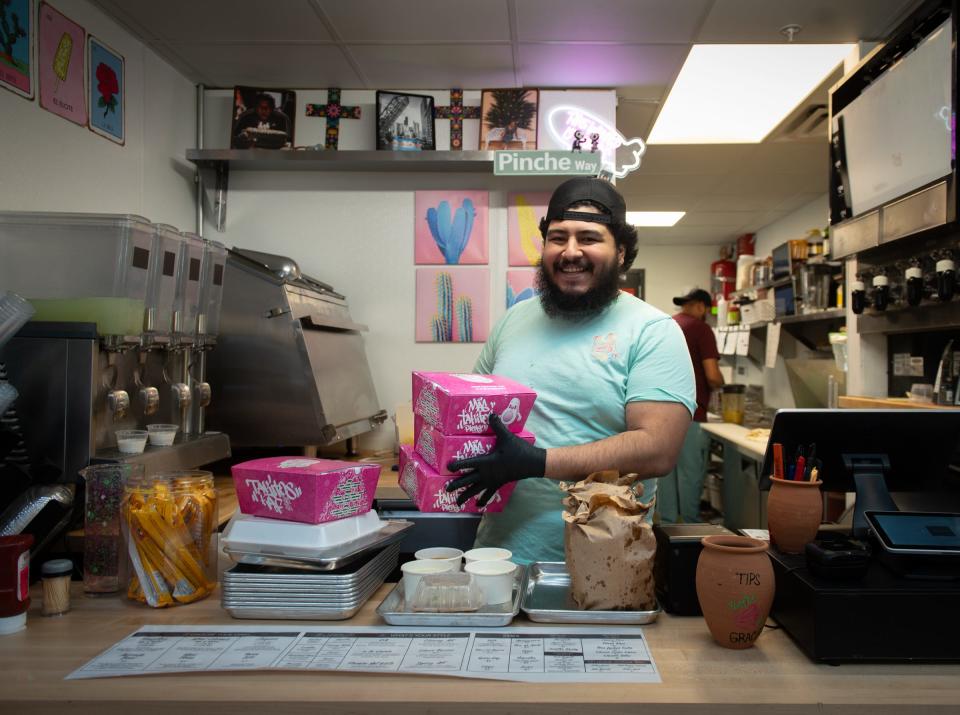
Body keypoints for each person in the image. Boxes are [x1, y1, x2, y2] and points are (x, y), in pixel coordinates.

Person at [445, 177, 697, 564]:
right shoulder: (514, 320)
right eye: (558, 237)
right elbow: (472, 413)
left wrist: (539, 462)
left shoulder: (653, 330)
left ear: (622, 252)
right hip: (498, 558)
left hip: (608, 563)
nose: (570, 251)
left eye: (589, 238)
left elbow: (657, 449)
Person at [657, 288, 725, 524]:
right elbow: (713, 375)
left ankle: (665, 531)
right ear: (700, 306)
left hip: (660, 417)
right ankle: (690, 532)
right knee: (690, 476)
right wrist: (722, 385)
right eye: (706, 310)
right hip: (691, 416)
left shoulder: (665, 325)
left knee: (665, 477)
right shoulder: (701, 329)